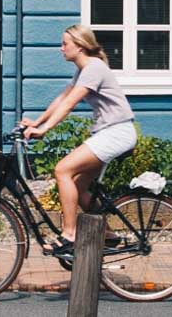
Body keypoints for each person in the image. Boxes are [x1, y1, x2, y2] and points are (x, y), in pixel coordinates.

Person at [20, 24, 136, 256]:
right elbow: (62, 98)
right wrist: (37, 122)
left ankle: (69, 234)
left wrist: (45, 129)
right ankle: (109, 235)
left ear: (80, 46)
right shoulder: (84, 70)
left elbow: (70, 104)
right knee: (79, 186)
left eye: (65, 44)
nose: (61, 48)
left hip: (117, 133)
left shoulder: (94, 68)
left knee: (62, 170)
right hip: (108, 133)